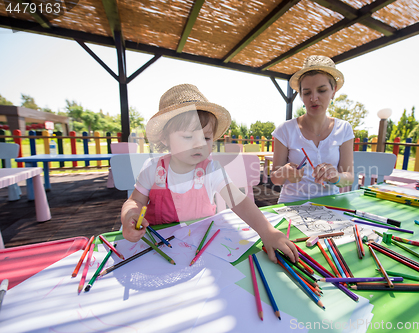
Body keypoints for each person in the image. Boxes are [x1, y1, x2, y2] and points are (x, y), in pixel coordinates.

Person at [121, 84, 298, 263]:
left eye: (206, 137)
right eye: (188, 137)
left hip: (204, 249)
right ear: (165, 138)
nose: (199, 144)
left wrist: (267, 231)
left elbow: (239, 202)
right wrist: (129, 215)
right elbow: (135, 201)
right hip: (158, 250)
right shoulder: (152, 168)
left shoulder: (211, 170)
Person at [271, 55, 354, 203]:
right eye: (307, 92)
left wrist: (336, 177)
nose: (313, 98)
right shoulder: (285, 130)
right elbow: (275, 179)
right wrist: (285, 173)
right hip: (292, 205)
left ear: (333, 91)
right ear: (301, 95)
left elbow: (349, 178)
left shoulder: (344, 129)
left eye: (321, 90)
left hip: (331, 204)